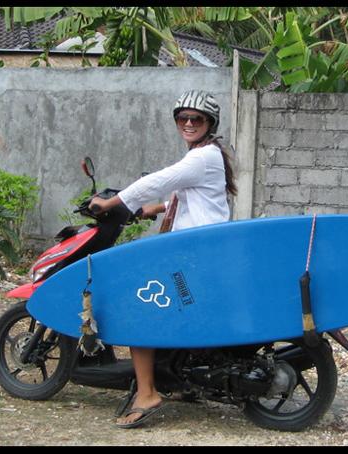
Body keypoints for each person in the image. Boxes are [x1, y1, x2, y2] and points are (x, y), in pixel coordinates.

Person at [88, 90, 237, 428]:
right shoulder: (205, 154)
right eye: (182, 117)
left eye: (196, 119)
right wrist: (153, 209)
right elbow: (191, 197)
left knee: (140, 305)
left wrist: (110, 203)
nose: (188, 123)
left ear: (210, 123)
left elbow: (160, 180)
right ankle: (179, 380)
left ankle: (147, 393)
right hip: (200, 253)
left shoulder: (202, 157)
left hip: (193, 258)